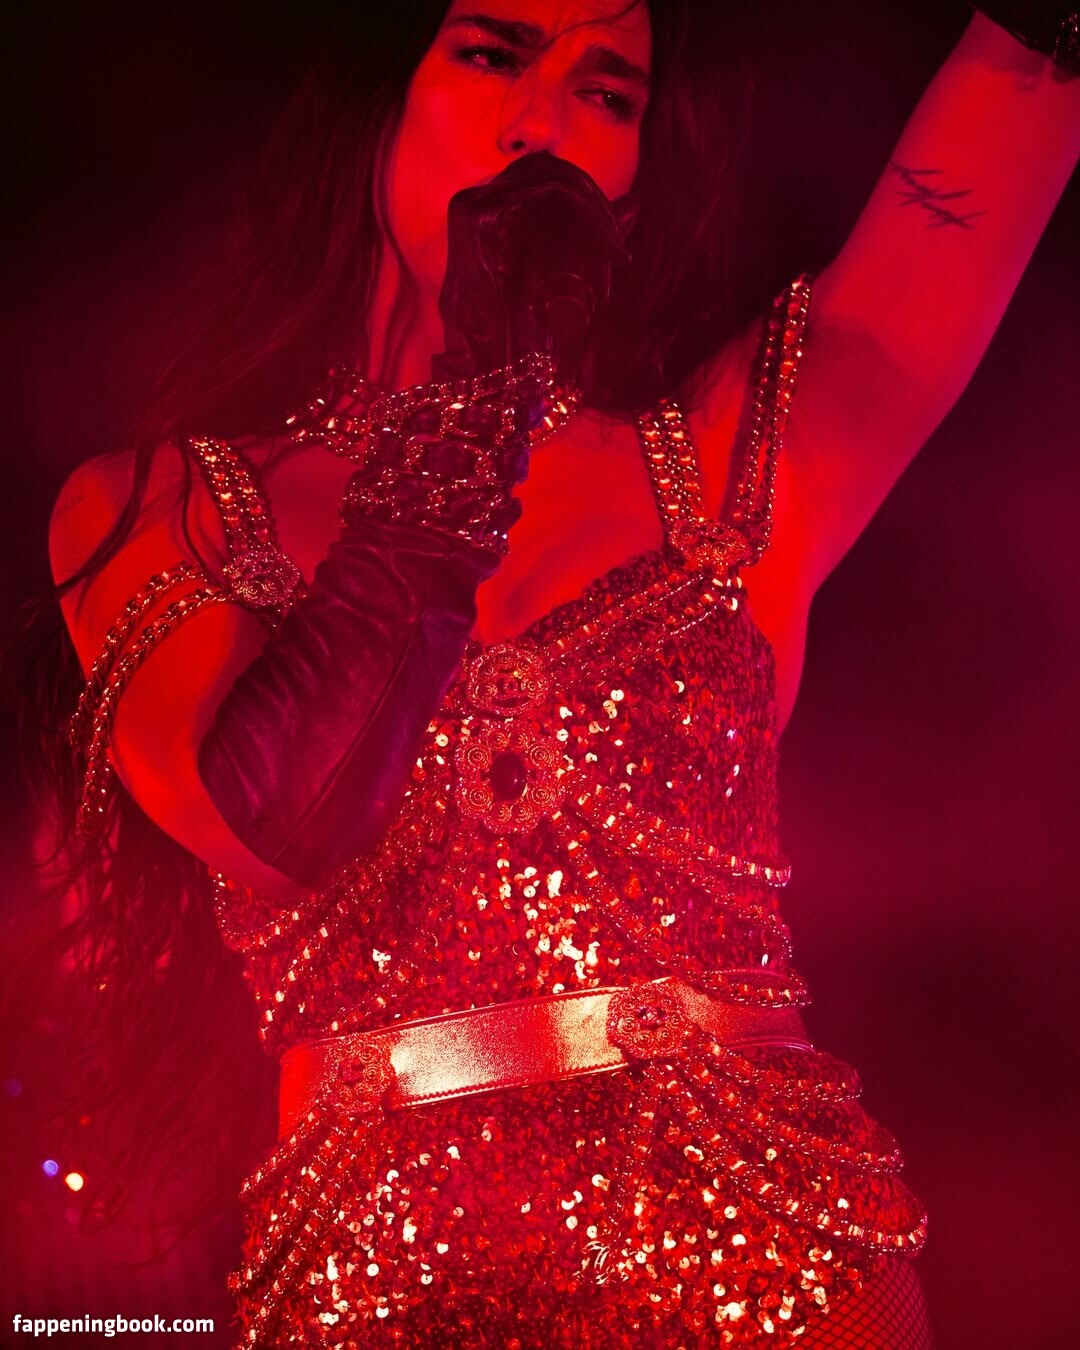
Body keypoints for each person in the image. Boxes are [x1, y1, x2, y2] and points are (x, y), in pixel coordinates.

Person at [40, 1, 1080, 1345]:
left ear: (632, 177)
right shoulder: (162, 508)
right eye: (491, 56)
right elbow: (277, 811)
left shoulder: (734, 455)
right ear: (375, 101)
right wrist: (479, 391)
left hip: (773, 1269)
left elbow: (1022, 84)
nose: (540, 126)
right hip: (384, 1291)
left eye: (607, 94)